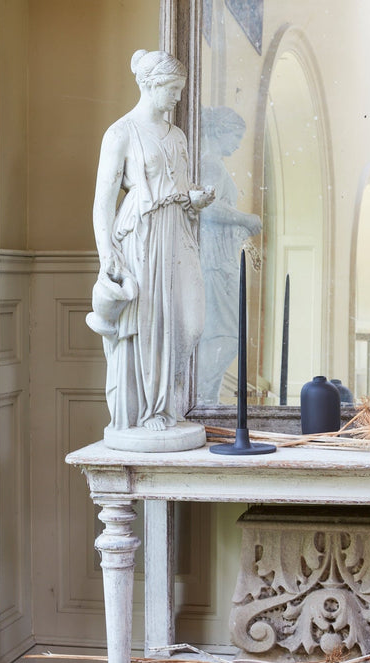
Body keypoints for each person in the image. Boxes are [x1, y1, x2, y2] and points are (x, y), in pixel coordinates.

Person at [88, 50, 214, 440]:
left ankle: (166, 402)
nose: (177, 98)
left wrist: (193, 200)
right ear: (151, 85)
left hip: (176, 232)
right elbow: (103, 202)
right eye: (172, 90)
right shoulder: (121, 133)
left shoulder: (177, 136)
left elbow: (177, 188)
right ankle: (149, 411)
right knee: (147, 322)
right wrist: (107, 254)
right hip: (140, 236)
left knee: (189, 323)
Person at [196, 106, 262, 404]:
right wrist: (244, 219)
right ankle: (204, 397)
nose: (237, 144)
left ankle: (206, 396)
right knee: (225, 334)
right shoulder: (211, 165)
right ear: (219, 131)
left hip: (220, 257)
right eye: (235, 136)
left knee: (225, 333)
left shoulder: (213, 164)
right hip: (215, 261)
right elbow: (206, 207)